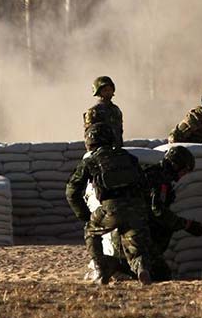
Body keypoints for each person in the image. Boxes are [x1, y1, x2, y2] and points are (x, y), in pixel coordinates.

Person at [66, 122, 157, 285]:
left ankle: (101, 269)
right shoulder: (128, 158)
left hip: (111, 208)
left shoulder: (91, 161)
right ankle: (142, 268)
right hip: (136, 207)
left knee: (91, 232)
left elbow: (72, 191)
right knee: (136, 244)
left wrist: (85, 216)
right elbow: (144, 185)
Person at [144, 145, 202, 281]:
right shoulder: (160, 181)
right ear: (176, 166)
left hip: (137, 228)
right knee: (162, 274)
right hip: (139, 230)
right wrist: (186, 225)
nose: (183, 175)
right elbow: (158, 211)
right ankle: (117, 264)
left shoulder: (155, 174)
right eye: (184, 171)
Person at [84, 76, 124, 147]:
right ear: (99, 93)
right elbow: (90, 136)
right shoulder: (93, 111)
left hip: (117, 150)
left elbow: (119, 131)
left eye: (110, 90)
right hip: (101, 152)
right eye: (105, 90)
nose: (108, 92)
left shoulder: (116, 110)